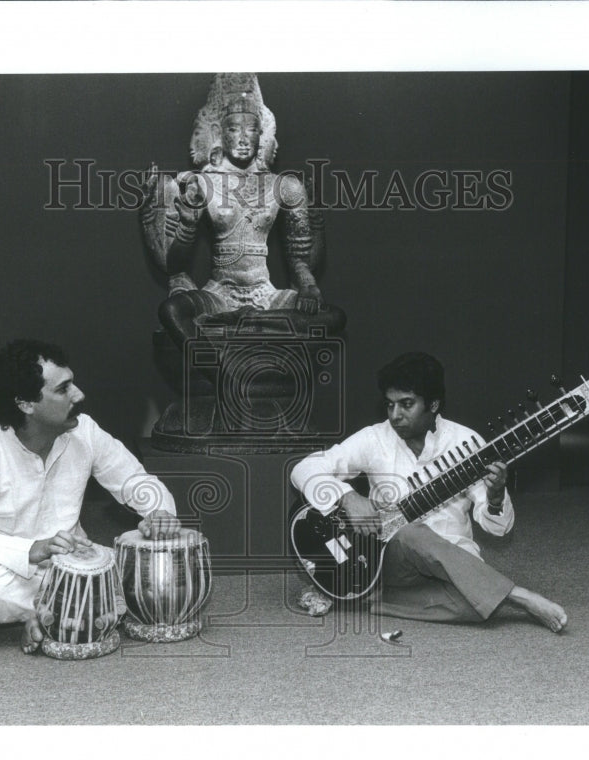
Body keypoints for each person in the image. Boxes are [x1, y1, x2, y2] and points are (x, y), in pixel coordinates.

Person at [0, 339, 181, 653]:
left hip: (73, 564)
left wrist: (159, 512)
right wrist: (29, 549)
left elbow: (136, 480)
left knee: (151, 569)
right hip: (8, 573)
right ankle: (62, 609)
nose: (79, 395)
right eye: (63, 389)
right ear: (26, 404)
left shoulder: (84, 432)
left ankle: (56, 613)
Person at [290, 351, 567, 632]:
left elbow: (498, 530)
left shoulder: (466, 442)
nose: (395, 415)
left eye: (406, 404)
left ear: (433, 404)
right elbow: (302, 469)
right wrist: (346, 497)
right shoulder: (374, 438)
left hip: (454, 561)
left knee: (478, 606)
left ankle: (371, 599)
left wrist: (495, 499)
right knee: (413, 532)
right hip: (390, 560)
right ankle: (519, 596)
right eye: (390, 405)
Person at [140, 73, 345, 347]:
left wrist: (308, 285)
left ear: (262, 135)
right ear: (218, 134)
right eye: (233, 129)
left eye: (251, 129)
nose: (243, 138)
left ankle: (244, 321)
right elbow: (175, 265)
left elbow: (300, 256)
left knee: (334, 316)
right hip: (219, 294)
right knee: (172, 311)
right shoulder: (201, 183)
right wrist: (187, 225)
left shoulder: (284, 186)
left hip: (267, 294)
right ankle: (246, 328)